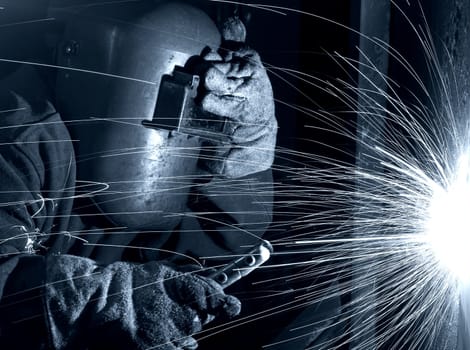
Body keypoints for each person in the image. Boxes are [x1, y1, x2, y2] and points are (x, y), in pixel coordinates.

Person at [0, 1, 277, 349]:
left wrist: (244, 157)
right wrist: (102, 301)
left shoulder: (169, 160)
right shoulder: (15, 139)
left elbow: (200, 258)